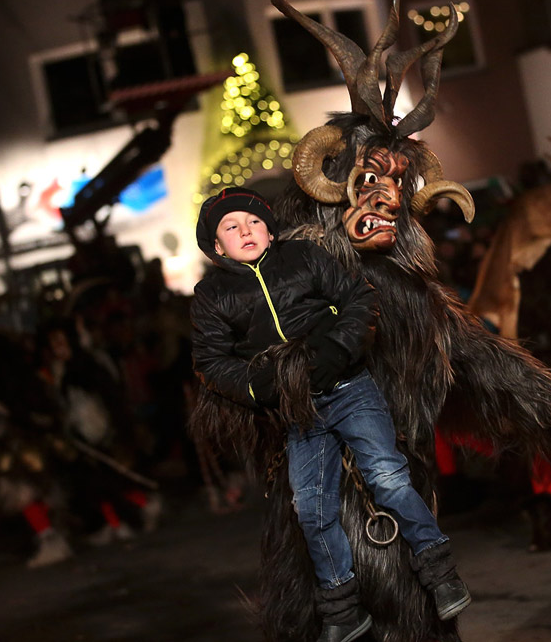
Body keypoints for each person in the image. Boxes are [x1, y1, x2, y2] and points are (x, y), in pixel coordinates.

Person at [190, 187, 471, 642]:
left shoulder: (303, 257)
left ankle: (439, 571)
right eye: (231, 226)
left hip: (348, 387)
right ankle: (341, 606)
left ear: (270, 229)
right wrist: (263, 386)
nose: (246, 231)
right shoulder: (213, 295)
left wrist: (335, 349)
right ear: (217, 246)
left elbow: (357, 297)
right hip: (296, 409)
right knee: (311, 509)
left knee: (387, 476)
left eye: (254, 222)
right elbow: (211, 360)